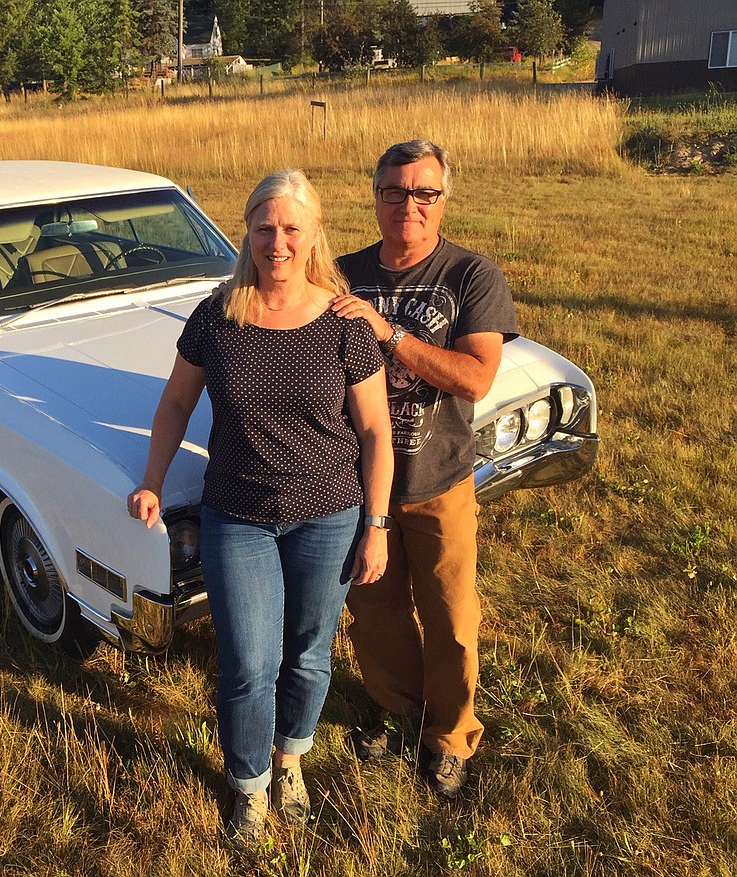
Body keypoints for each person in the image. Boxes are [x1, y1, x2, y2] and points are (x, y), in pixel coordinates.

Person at [128, 169, 393, 849]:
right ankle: (248, 785)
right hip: (238, 513)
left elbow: (374, 432)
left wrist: (377, 524)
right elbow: (175, 404)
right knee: (249, 660)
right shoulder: (218, 316)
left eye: (291, 229)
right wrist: (152, 478)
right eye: (265, 227)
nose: (277, 241)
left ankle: (290, 762)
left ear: (313, 238)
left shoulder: (343, 323)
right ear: (247, 232)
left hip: (329, 512)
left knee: (306, 652)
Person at [331, 139, 519, 798]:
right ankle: (399, 710)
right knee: (376, 613)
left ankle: (451, 735)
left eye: (424, 193)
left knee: (451, 616)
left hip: (438, 478)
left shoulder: (470, 276)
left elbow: (473, 379)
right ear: (375, 195)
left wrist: (391, 335)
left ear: (443, 200)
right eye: (394, 191)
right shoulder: (341, 274)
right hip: (358, 486)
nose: (408, 205)